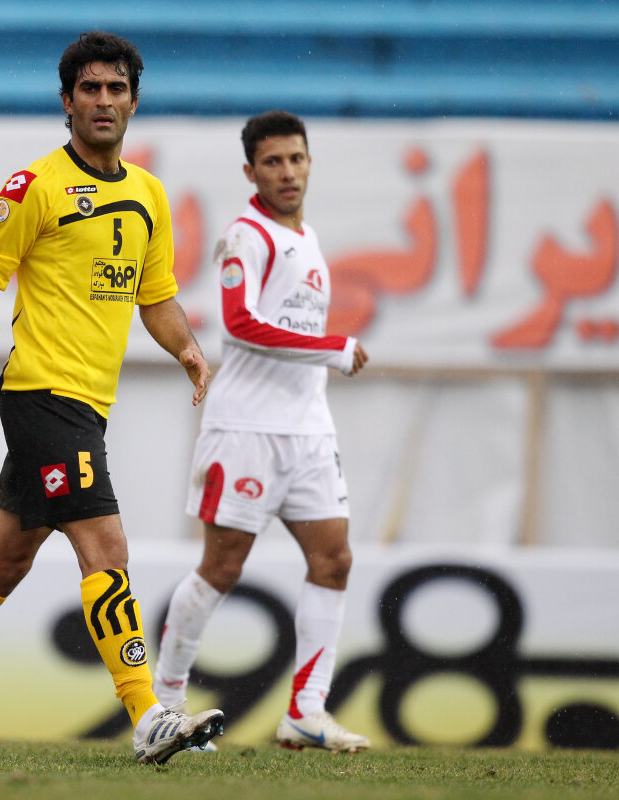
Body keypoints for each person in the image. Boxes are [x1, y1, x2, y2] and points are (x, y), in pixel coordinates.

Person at [0, 31, 224, 765]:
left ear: (134, 102)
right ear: (66, 101)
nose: (103, 101)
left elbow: (155, 297)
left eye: (116, 89)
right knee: (106, 547)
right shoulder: (35, 187)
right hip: (42, 396)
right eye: (89, 89)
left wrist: (187, 349)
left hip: (87, 405)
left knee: (3, 563)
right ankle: (147, 715)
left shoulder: (148, 195)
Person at [152, 110, 371, 753]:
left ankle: (306, 710)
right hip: (246, 429)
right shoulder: (244, 237)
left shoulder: (308, 237)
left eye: (296, 159)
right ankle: (165, 704)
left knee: (334, 561)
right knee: (222, 567)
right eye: (273, 162)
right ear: (251, 172)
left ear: (310, 163)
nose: (287, 172)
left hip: (309, 432)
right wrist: (333, 347)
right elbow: (239, 325)